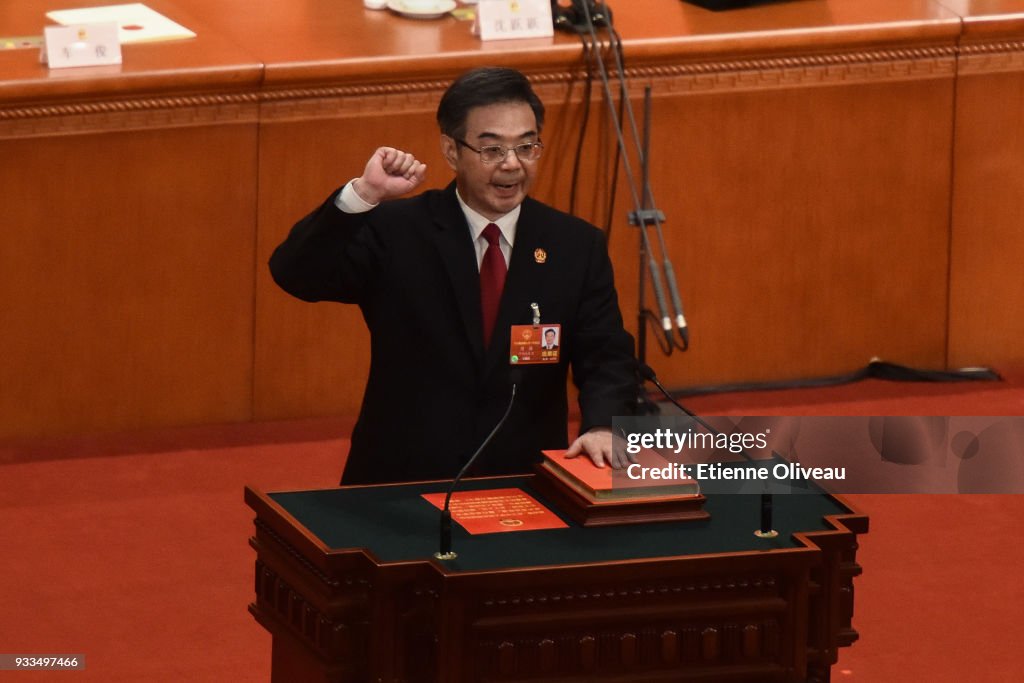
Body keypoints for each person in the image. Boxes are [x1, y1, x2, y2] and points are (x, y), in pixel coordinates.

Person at [269, 66, 636, 485]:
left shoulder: (574, 244)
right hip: (401, 482)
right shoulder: (398, 230)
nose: (513, 165)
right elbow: (295, 274)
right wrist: (363, 195)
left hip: (522, 483)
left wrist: (603, 425)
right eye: (492, 149)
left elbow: (605, 354)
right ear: (450, 151)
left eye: (527, 146)